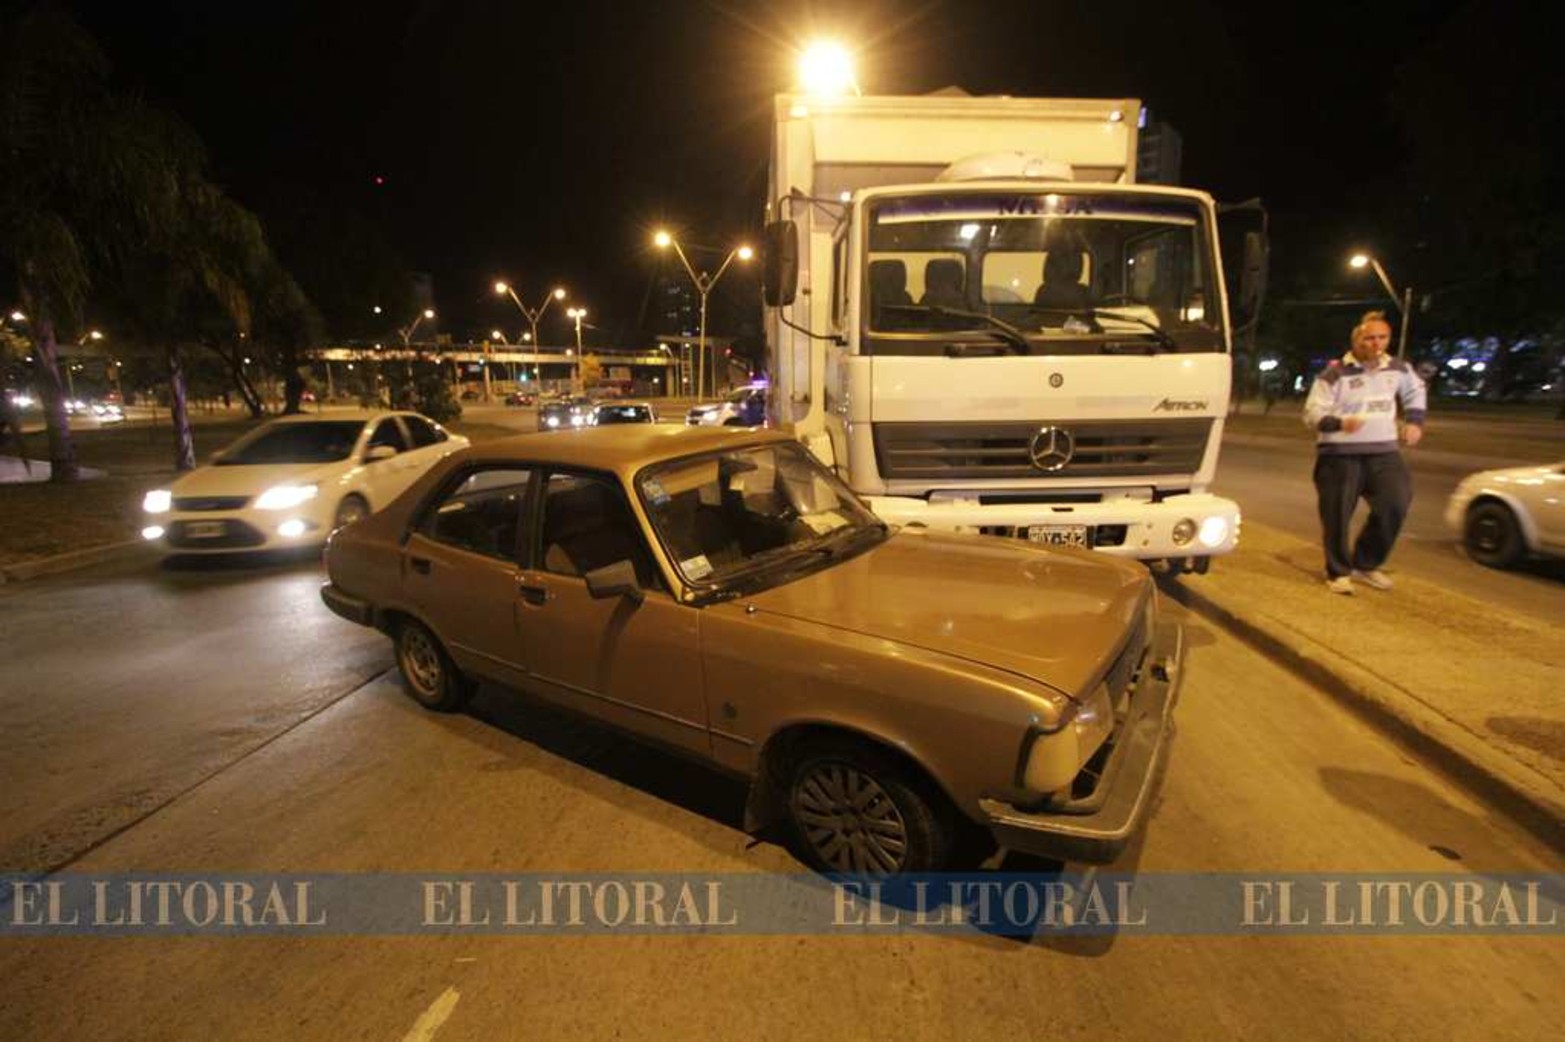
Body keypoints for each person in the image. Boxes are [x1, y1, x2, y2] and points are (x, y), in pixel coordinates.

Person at [1302, 310, 1426, 594]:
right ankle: (1338, 571)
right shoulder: (1334, 374)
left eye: (1382, 337)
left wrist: (1415, 422)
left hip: (1384, 452)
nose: (1376, 344)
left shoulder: (1398, 368)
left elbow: (1415, 392)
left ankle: (1366, 563)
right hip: (1339, 454)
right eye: (1369, 338)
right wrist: (1339, 423)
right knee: (1337, 515)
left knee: (1396, 502)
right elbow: (1311, 413)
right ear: (1356, 340)